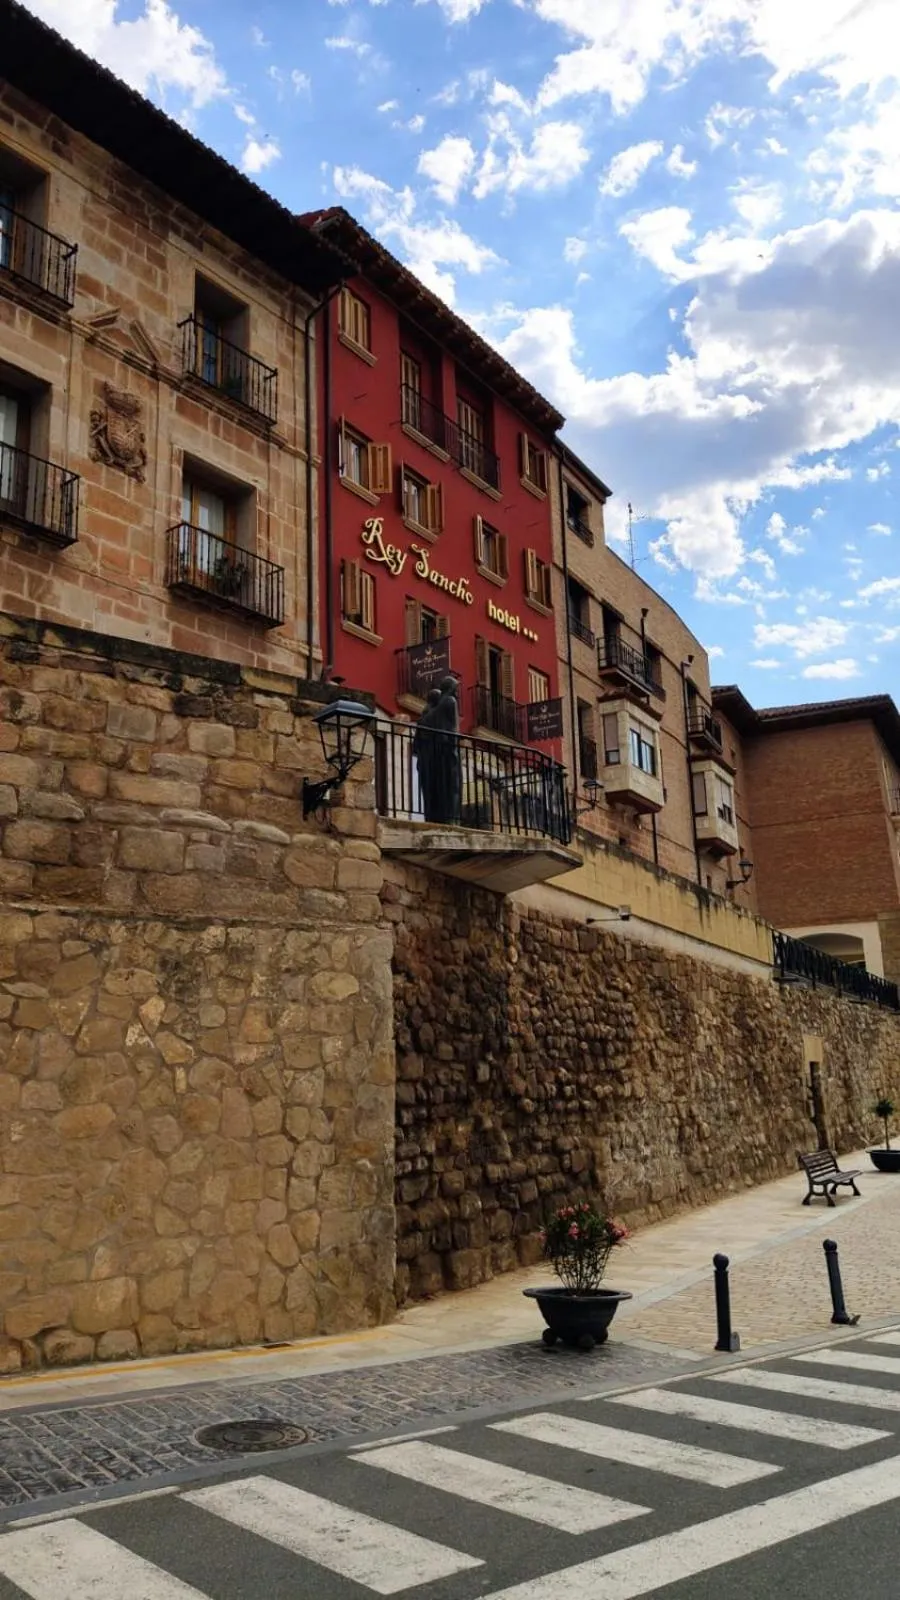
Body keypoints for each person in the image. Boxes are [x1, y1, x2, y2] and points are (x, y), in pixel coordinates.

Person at [413, 676, 461, 824]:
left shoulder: (424, 719)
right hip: (446, 753)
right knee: (451, 787)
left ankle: (436, 816)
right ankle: (450, 818)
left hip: (430, 759)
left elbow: (415, 748)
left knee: (432, 790)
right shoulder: (449, 702)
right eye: (456, 688)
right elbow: (452, 730)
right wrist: (453, 747)